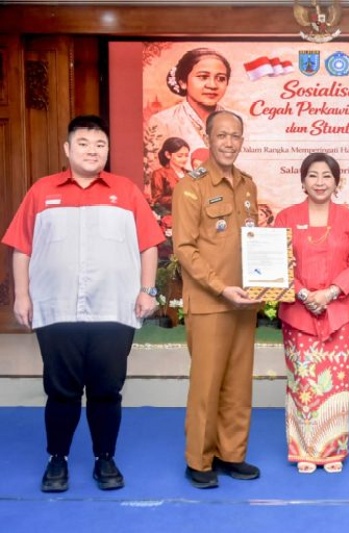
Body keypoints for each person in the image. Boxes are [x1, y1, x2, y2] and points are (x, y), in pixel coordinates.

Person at [2, 115, 164, 493]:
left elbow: (149, 245)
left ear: (107, 150)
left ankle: (104, 457)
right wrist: (22, 295)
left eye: (100, 145)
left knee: (107, 390)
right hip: (56, 310)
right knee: (61, 390)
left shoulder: (125, 191)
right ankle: (56, 460)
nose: (93, 151)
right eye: (84, 144)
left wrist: (147, 290)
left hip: (114, 309)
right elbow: (21, 248)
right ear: (67, 149)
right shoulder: (42, 192)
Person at [172, 110, 262, 489]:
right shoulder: (191, 187)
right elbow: (185, 249)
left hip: (245, 302)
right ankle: (200, 459)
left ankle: (231, 454)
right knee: (207, 385)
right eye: (222, 135)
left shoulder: (248, 185)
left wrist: (265, 280)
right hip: (211, 302)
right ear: (208, 138)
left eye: (235, 136)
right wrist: (220, 286)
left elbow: (253, 242)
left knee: (239, 385)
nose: (229, 142)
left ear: (242, 140)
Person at [274, 153, 349, 474]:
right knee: (303, 382)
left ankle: (332, 450)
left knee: (337, 384)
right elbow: (276, 264)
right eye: (313, 176)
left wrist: (329, 293)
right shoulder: (285, 217)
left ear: (336, 182)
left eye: (327, 176)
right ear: (302, 181)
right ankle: (304, 450)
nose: (320, 182)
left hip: (340, 311)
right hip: (298, 313)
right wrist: (303, 293)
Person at [147, 48, 232, 163]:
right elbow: (156, 170)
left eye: (221, 78)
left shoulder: (241, 121)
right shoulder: (163, 121)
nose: (212, 85)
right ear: (183, 82)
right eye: (203, 77)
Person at [151, 136, 191, 210]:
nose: (184, 159)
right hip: (171, 215)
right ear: (168, 155)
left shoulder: (190, 173)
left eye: (186, 156)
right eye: (180, 156)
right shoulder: (159, 174)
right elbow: (157, 199)